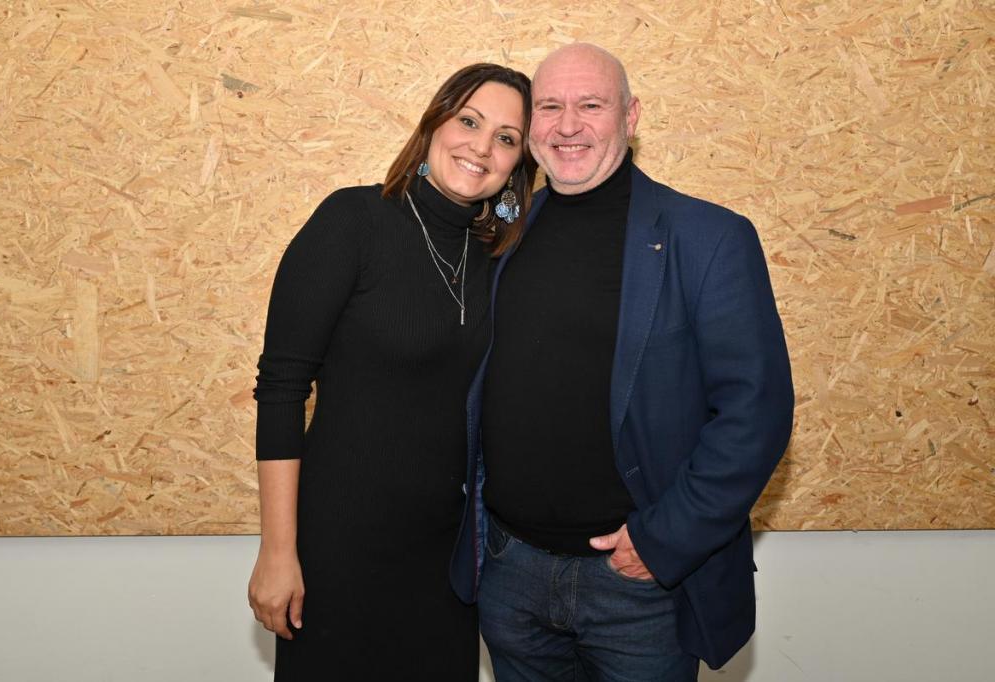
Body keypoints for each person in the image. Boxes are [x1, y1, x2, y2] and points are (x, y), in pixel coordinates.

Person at [451, 44, 794, 680]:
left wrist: (662, 543)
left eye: (591, 105)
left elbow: (756, 412)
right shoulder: (500, 234)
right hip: (509, 574)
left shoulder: (709, 238)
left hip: (638, 588)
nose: (568, 125)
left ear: (630, 117)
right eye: (549, 107)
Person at [248, 63, 536, 680]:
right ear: (434, 124)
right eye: (469, 122)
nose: (482, 147)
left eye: (507, 138)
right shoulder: (353, 220)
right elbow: (280, 389)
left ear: (518, 164)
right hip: (339, 549)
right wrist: (277, 551)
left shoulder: (499, 260)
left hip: (447, 560)